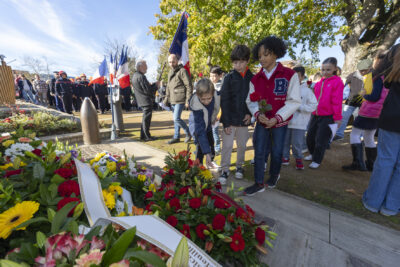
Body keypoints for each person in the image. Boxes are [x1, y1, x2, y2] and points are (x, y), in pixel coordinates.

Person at [244, 36, 301, 195]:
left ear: (276, 54)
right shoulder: (255, 79)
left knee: (277, 153)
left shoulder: (290, 75)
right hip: (262, 123)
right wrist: (258, 114)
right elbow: (250, 100)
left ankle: (274, 175)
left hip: (279, 125)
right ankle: (258, 182)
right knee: (259, 151)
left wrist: (277, 118)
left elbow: (294, 101)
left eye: (266, 54)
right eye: (260, 55)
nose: (262, 58)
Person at [362, 43, 400, 216]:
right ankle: (391, 206)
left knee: (385, 160)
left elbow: (380, 86)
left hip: (392, 118)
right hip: (391, 118)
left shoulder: (391, 69)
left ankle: (373, 201)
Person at [342, 53, 388, 172]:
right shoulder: (388, 77)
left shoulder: (377, 77)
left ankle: (358, 163)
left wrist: (363, 93)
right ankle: (371, 164)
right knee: (369, 136)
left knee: (355, 134)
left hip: (368, 112)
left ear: (378, 63)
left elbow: (373, 97)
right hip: (377, 113)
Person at [219, 44, 254, 184]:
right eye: (235, 62)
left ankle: (239, 167)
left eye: (240, 62)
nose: (237, 65)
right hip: (230, 120)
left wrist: (250, 114)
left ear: (247, 61)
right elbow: (224, 100)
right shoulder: (229, 78)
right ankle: (225, 169)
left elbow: (255, 99)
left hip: (244, 120)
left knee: (242, 145)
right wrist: (226, 122)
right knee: (227, 146)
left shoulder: (253, 78)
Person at [305, 57, 344, 169]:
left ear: (335, 69)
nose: (325, 72)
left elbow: (337, 101)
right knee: (310, 137)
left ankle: (317, 159)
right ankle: (312, 154)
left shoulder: (337, 82)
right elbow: (314, 96)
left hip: (328, 116)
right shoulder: (320, 82)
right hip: (315, 114)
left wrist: (337, 118)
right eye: (323, 69)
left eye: (328, 69)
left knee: (321, 140)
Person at [282, 66, 317, 170]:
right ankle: (285, 157)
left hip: (299, 123)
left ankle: (298, 159)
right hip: (286, 121)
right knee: (285, 141)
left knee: (297, 143)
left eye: (297, 76)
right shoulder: (286, 89)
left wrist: (300, 107)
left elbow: (313, 105)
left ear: (302, 77)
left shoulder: (307, 91)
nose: (294, 79)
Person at [189, 78, 220, 167]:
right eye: (203, 99)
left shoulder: (215, 95)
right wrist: (206, 153)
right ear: (198, 96)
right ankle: (199, 165)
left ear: (212, 94)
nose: (206, 101)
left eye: (209, 98)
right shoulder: (196, 107)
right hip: (197, 127)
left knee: (211, 143)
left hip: (208, 125)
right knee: (200, 147)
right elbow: (200, 132)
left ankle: (210, 160)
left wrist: (213, 117)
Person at [163, 54, 193, 144]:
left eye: (173, 61)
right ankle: (176, 137)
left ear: (177, 60)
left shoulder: (182, 71)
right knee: (175, 119)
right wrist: (166, 100)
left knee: (176, 118)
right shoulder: (170, 72)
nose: (171, 63)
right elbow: (168, 87)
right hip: (172, 99)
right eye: (169, 62)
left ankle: (188, 133)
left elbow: (189, 86)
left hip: (180, 98)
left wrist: (188, 99)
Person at [333, 68, 364, 141]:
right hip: (351, 100)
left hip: (362, 101)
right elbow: (347, 84)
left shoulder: (369, 75)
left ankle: (360, 136)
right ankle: (339, 134)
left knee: (359, 119)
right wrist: (353, 91)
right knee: (344, 117)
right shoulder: (352, 75)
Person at [132, 60, 160, 141]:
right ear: (140, 66)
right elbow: (148, 90)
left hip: (142, 100)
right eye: (145, 65)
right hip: (145, 101)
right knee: (146, 120)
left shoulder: (135, 76)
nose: (147, 67)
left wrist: (154, 84)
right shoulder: (141, 76)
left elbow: (146, 88)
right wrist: (156, 86)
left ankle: (143, 135)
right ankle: (147, 136)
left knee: (145, 119)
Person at [209, 65, 224, 154]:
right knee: (208, 131)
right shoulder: (208, 85)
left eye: (215, 76)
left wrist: (218, 116)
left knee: (215, 131)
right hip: (208, 113)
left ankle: (217, 148)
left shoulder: (221, 87)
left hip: (217, 113)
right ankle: (209, 147)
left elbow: (221, 104)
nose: (213, 78)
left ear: (220, 76)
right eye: (211, 76)